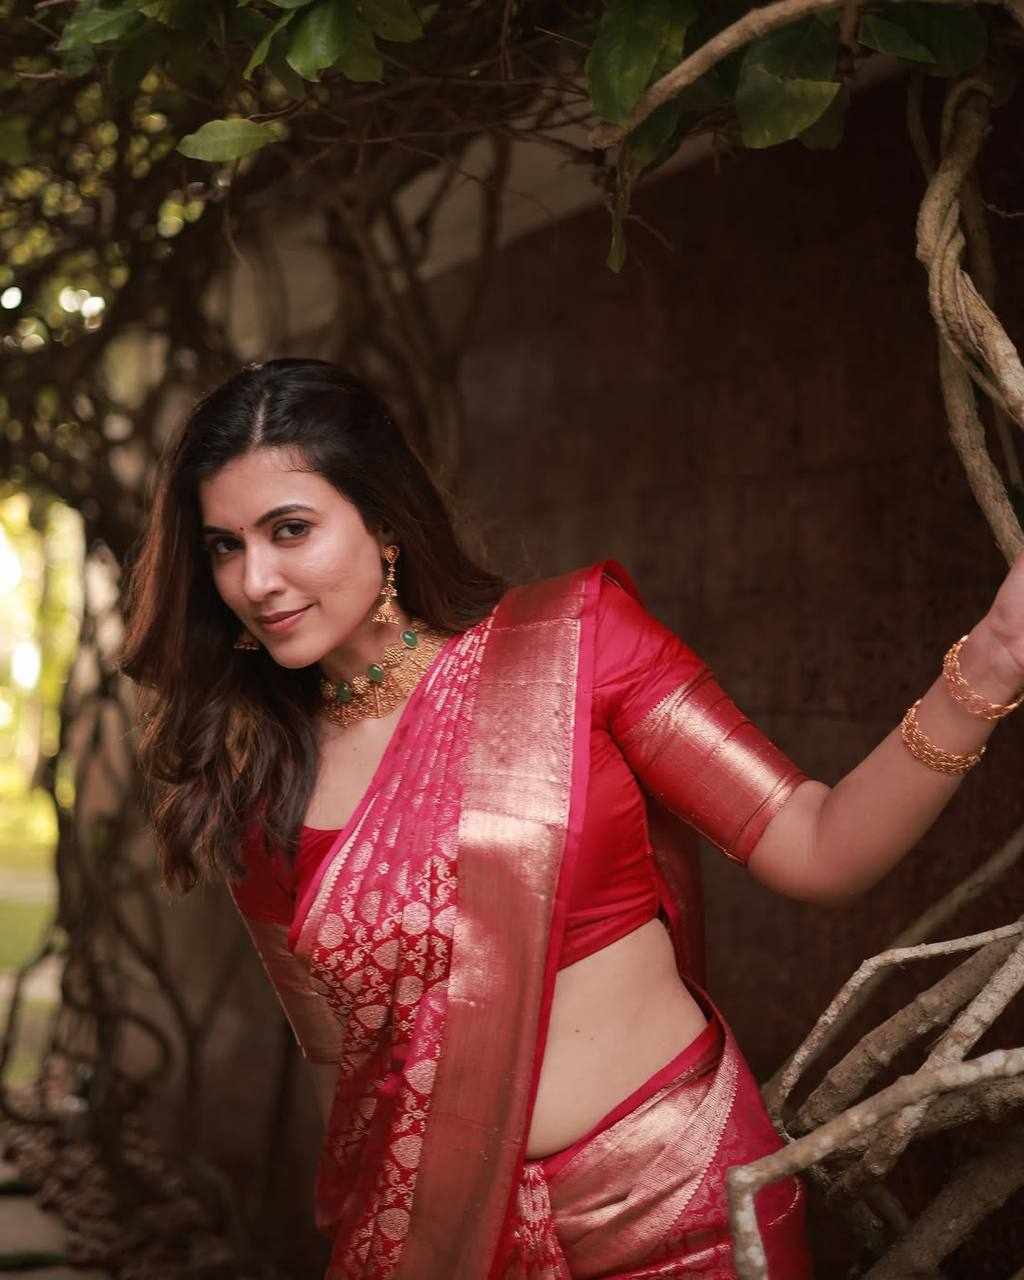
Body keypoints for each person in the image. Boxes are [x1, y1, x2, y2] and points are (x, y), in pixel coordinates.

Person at [120, 358, 1024, 1280]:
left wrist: (993, 660)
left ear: (384, 521)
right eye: (224, 546)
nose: (256, 580)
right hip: (441, 1239)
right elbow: (341, 1075)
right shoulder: (259, 787)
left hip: (677, 1209)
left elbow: (818, 846)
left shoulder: (575, 651)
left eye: (290, 530)